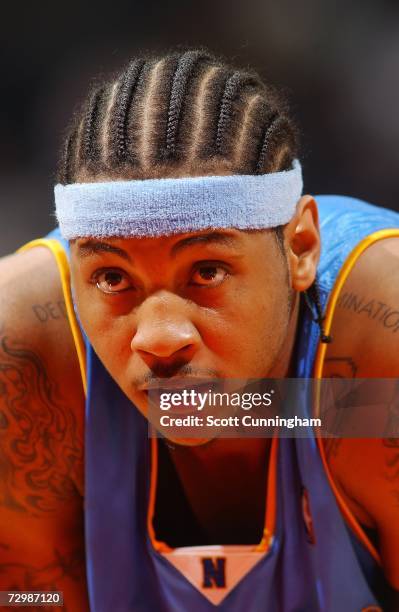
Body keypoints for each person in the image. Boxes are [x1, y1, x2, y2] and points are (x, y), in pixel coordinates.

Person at [1, 49, 399, 612]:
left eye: (206, 272)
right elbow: (26, 599)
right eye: (113, 277)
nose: (160, 339)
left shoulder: (383, 349)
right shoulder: (19, 353)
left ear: (300, 248)